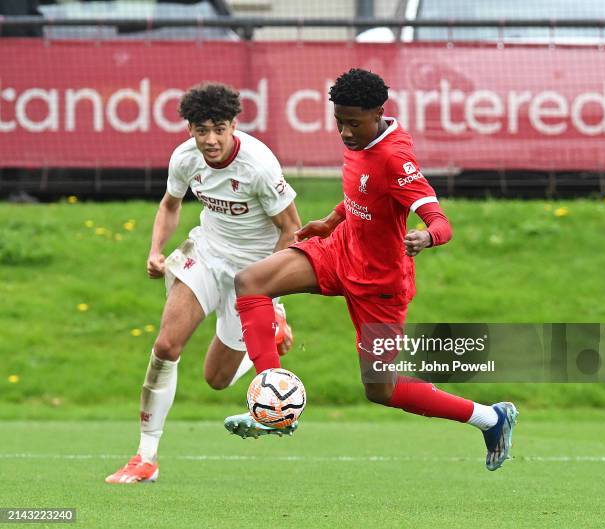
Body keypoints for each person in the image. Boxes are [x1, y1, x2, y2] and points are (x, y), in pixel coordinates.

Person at [224, 69, 518, 471]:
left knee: (381, 389)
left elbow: (440, 220)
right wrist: (330, 221)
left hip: (380, 286)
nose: (344, 132)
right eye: (338, 121)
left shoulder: (396, 157)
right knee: (251, 282)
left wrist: (427, 237)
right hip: (341, 251)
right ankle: (271, 404)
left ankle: (491, 418)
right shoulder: (362, 136)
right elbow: (362, 192)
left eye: (353, 123)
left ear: (379, 112)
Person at [105, 83, 301, 484]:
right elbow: (170, 205)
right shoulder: (184, 158)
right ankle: (145, 457)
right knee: (165, 345)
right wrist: (156, 250)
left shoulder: (259, 165)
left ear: (233, 126)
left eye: (219, 129)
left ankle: (271, 332)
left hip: (253, 274)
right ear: (190, 129)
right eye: (200, 130)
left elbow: (292, 230)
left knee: (217, 379)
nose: (210, 140)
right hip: (207, 255)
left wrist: (271, 298)